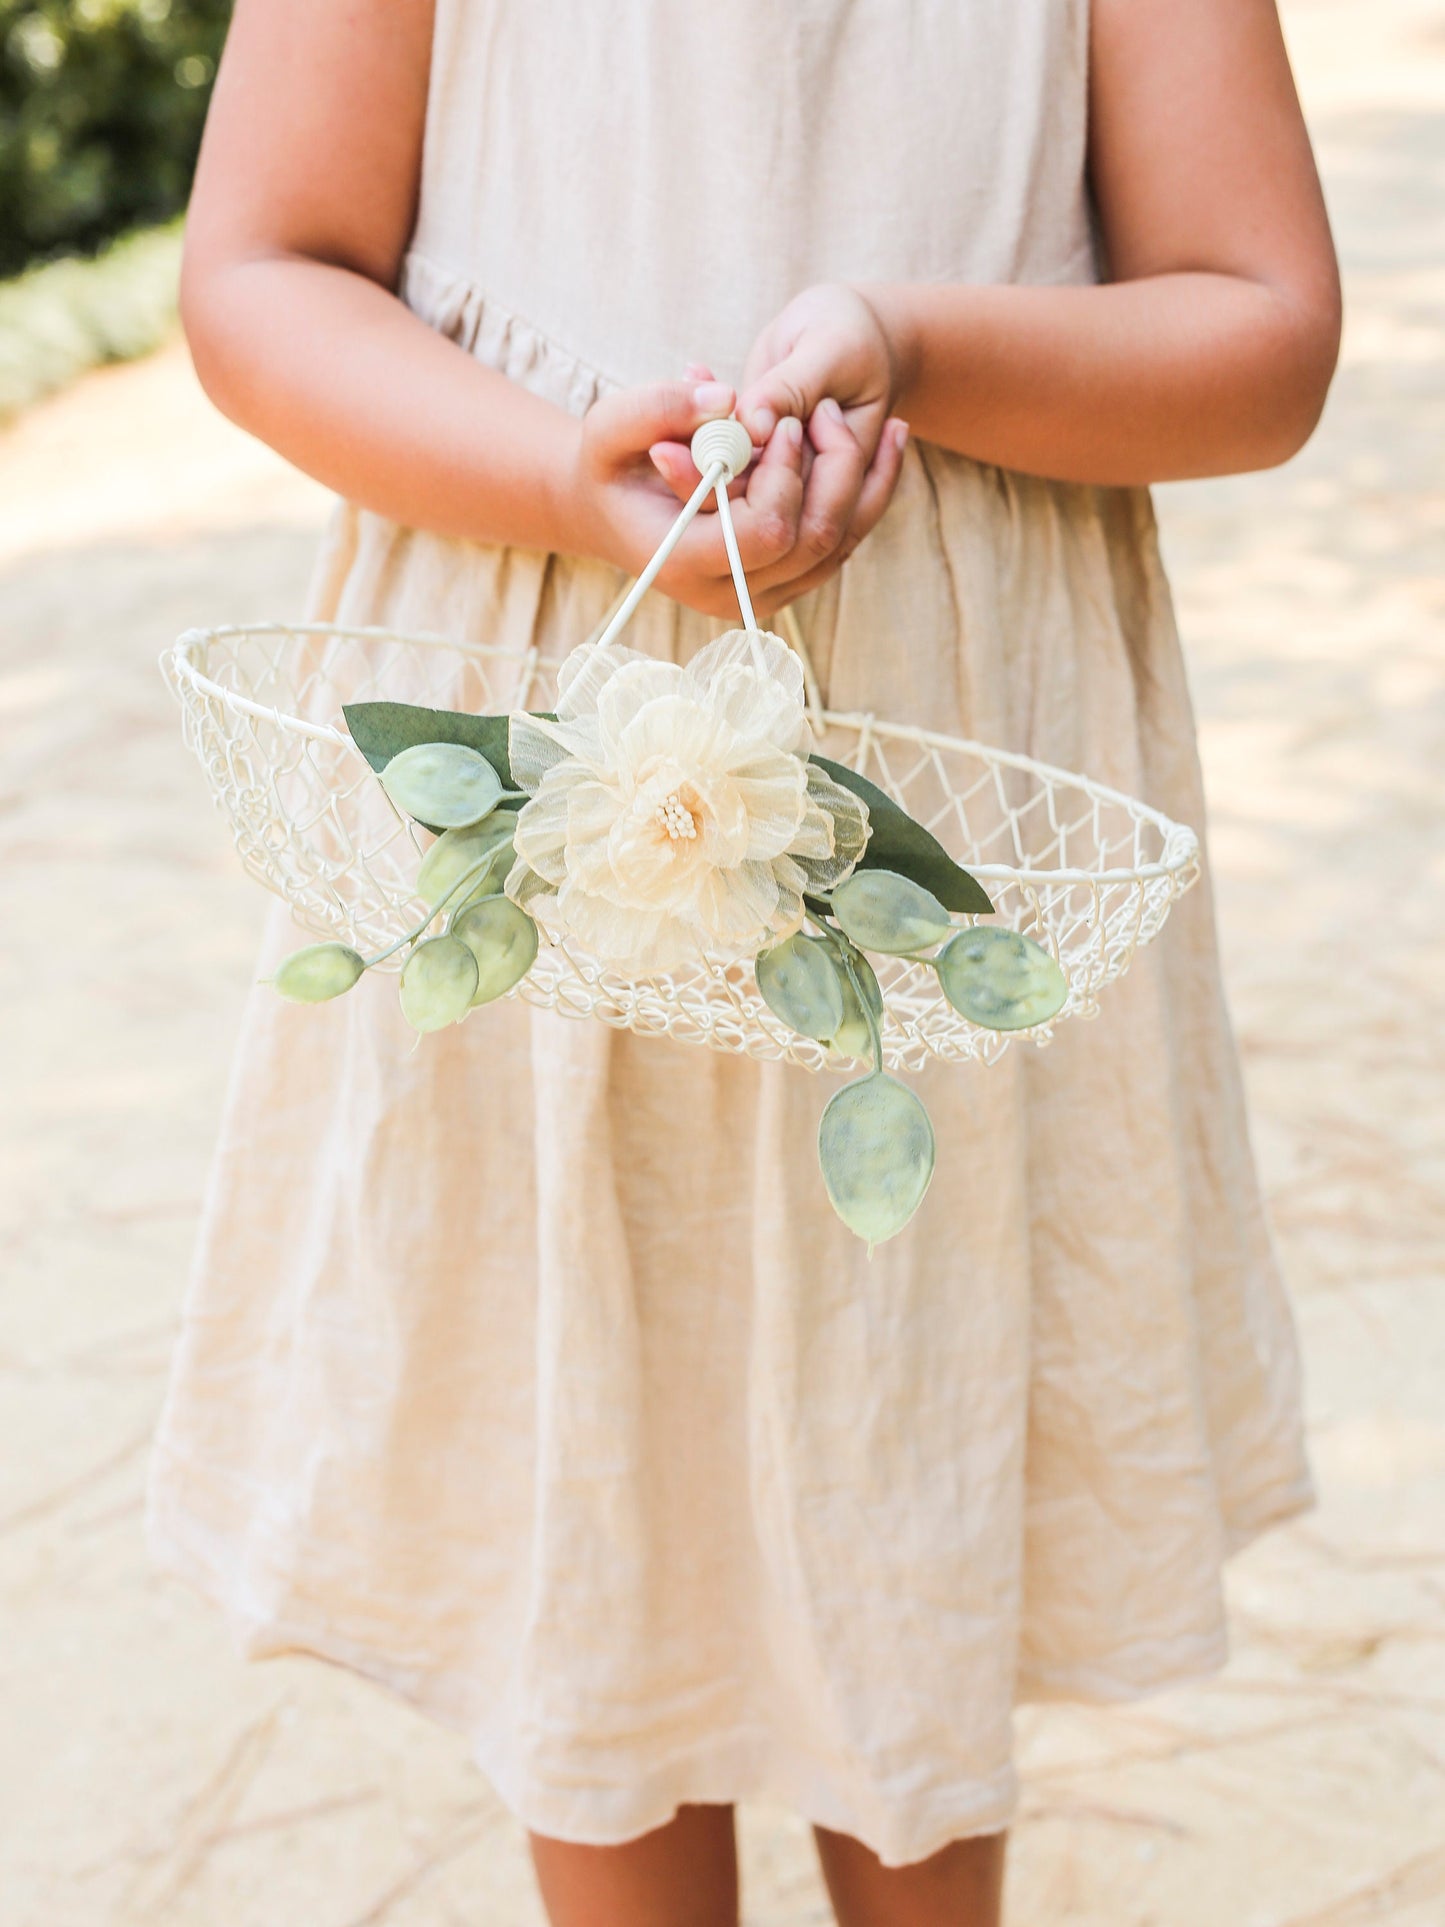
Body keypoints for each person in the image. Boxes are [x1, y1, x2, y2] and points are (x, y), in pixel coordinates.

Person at [146, 3, 1341, 1922]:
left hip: (951, 767)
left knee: (904, 1419)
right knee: (586, 1441)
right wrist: (556, 476)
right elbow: (260, 266)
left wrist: (921, 345)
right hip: (539, 700)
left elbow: (1261, 336)